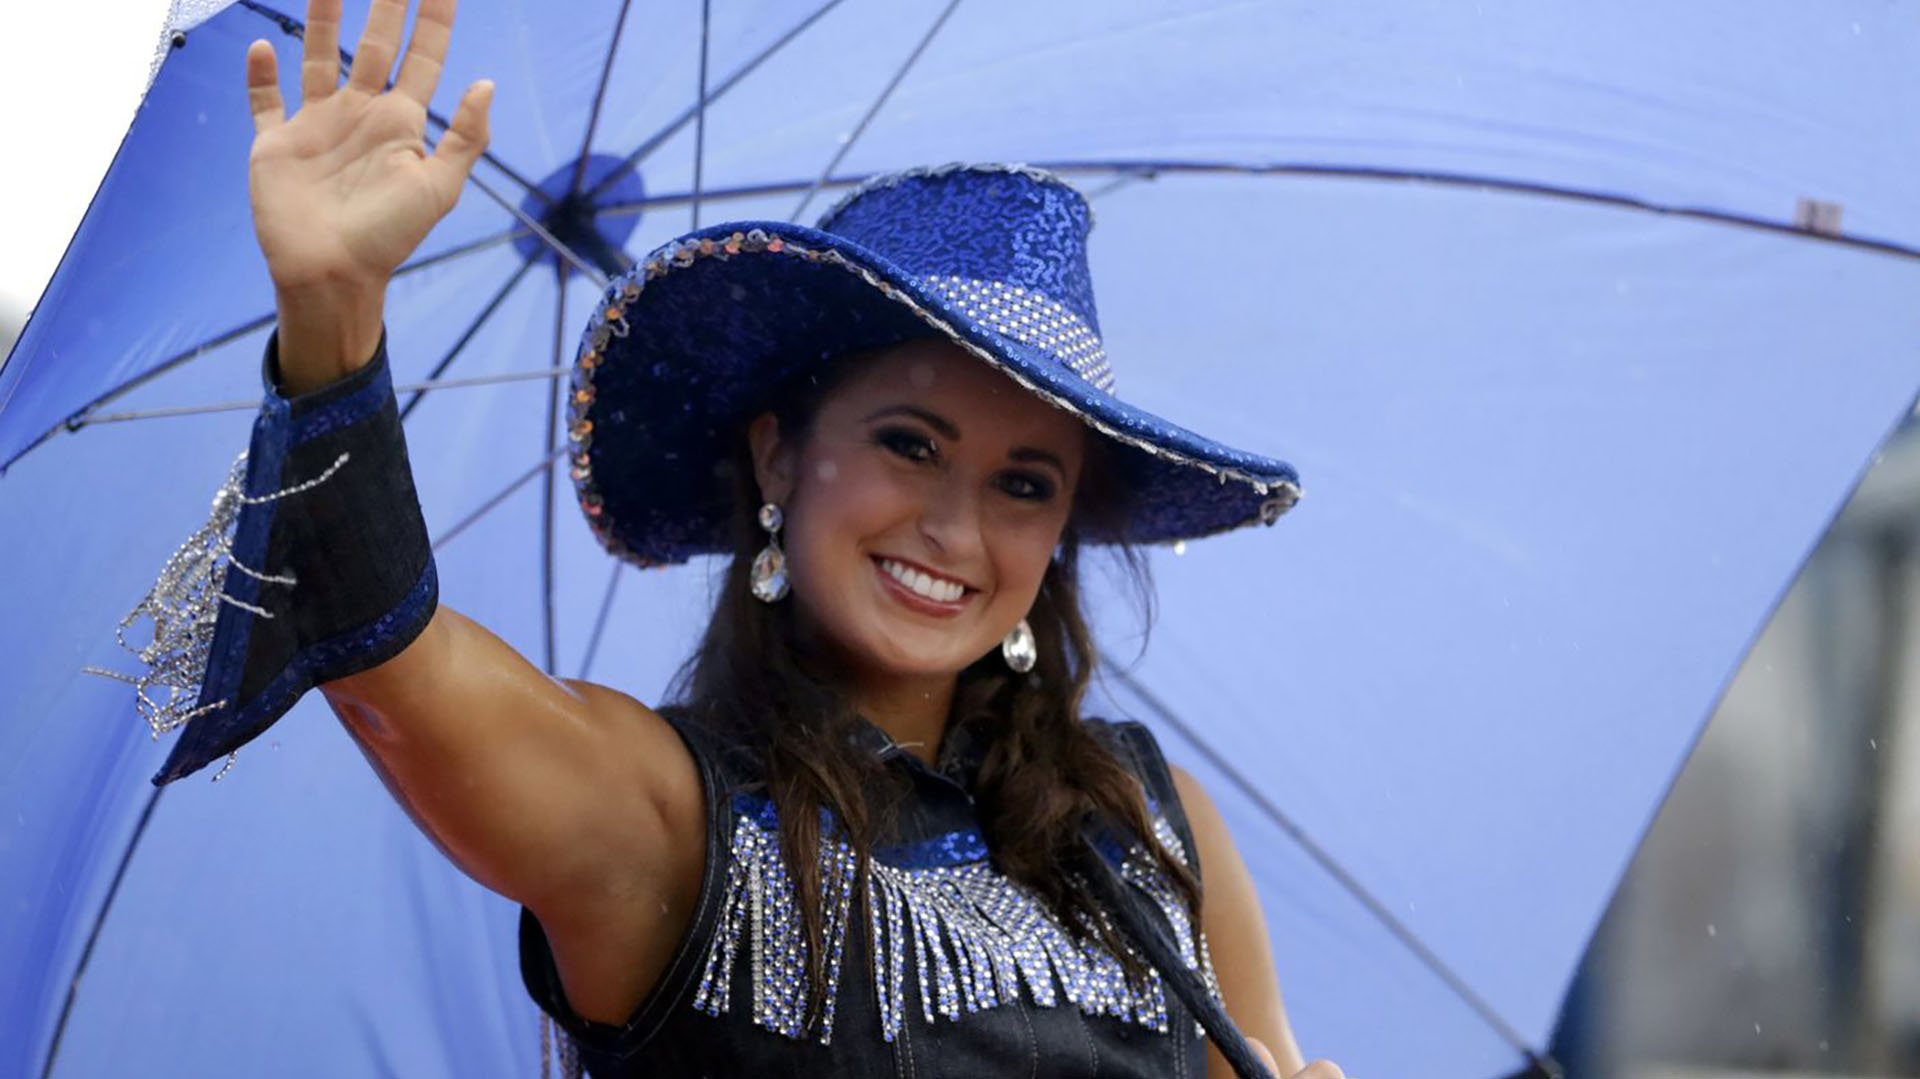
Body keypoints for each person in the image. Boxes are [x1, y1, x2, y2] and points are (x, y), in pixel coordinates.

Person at [117, 0, 1348, 1075]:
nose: (956, 526)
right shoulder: (662, 819)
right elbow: (390, 659)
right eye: (910, 443)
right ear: (776, 453)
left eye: (1025, 482)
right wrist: (333, 315)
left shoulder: (1151, 821)